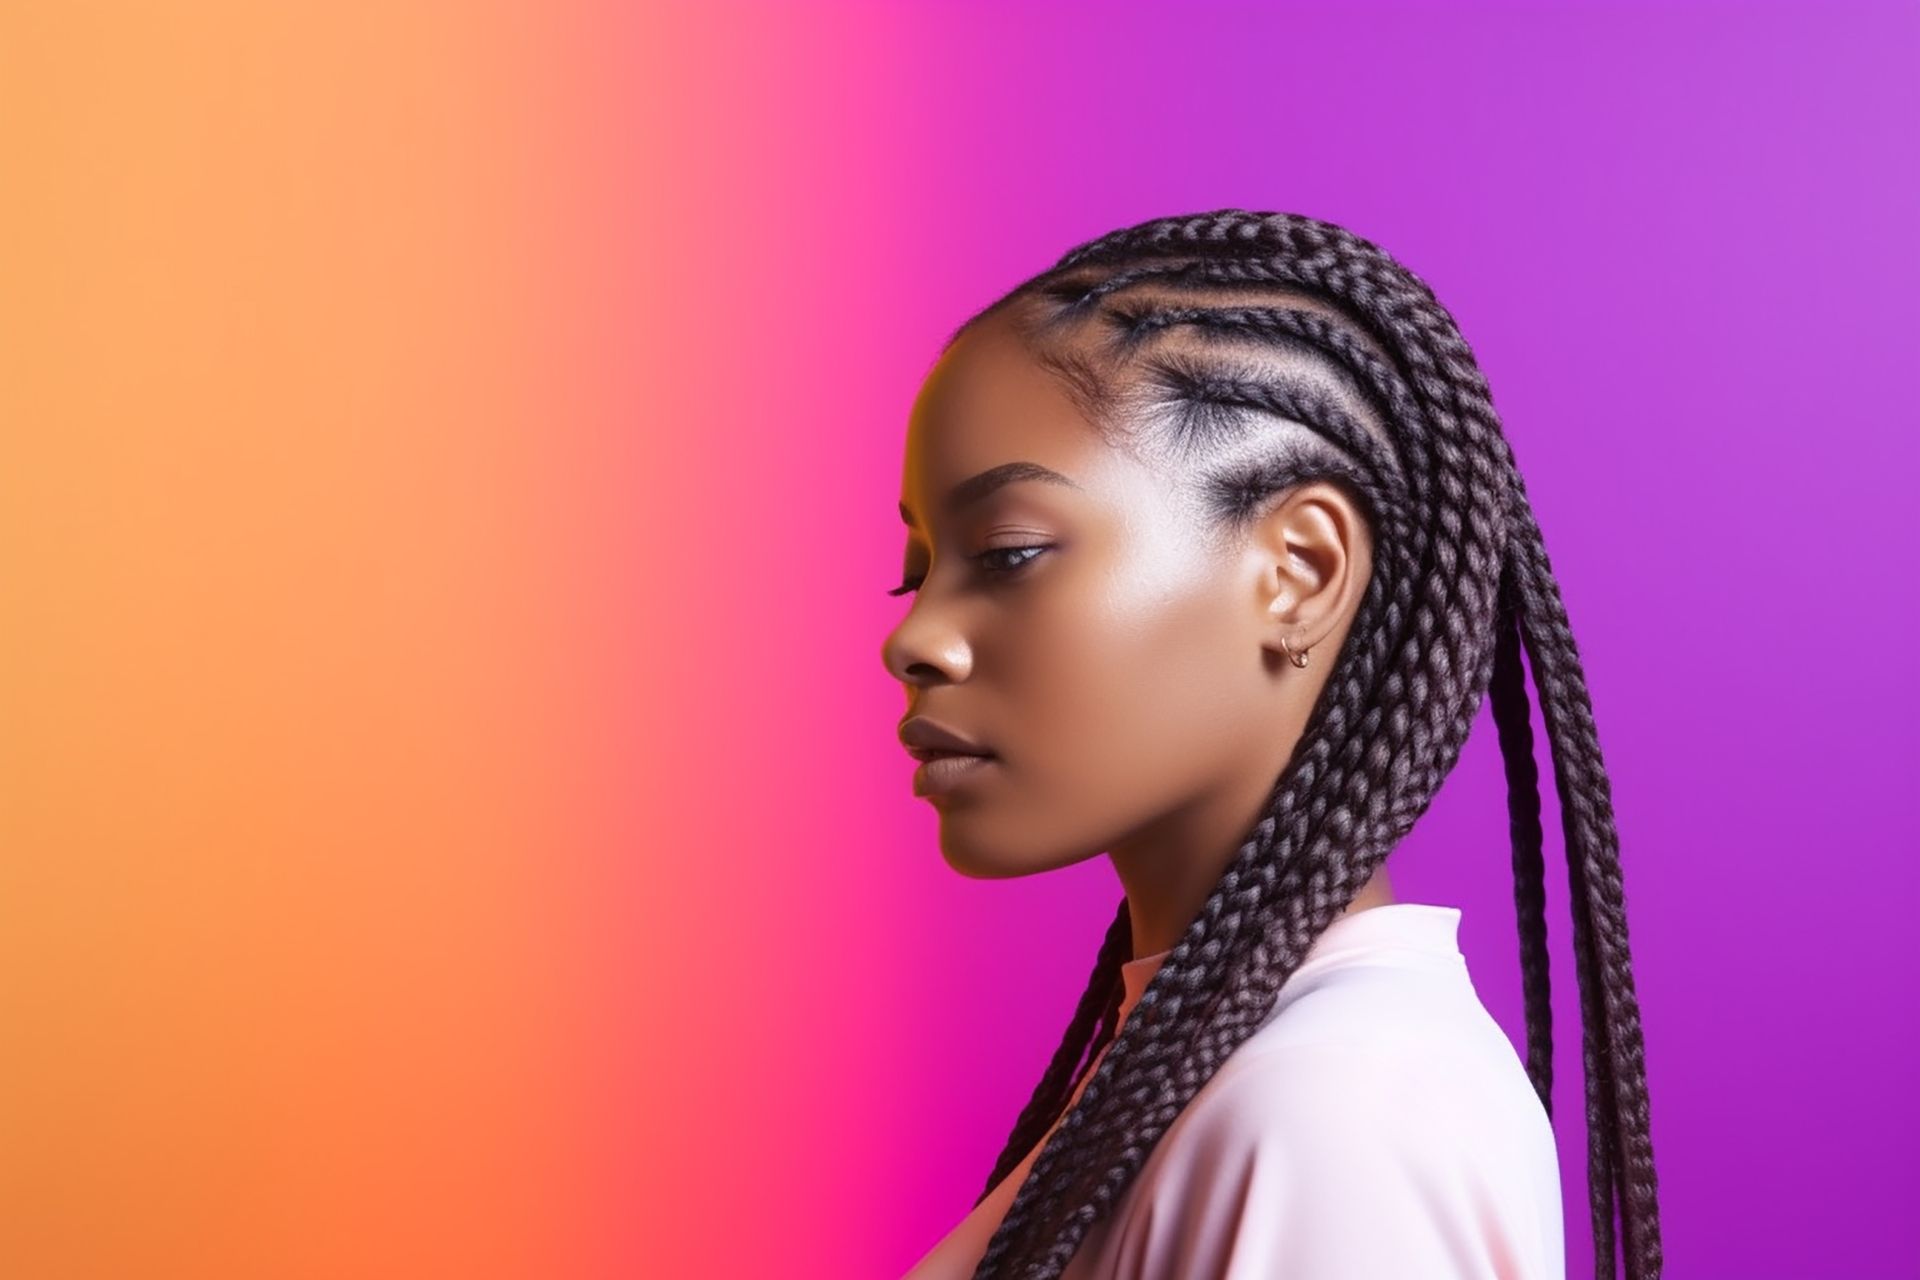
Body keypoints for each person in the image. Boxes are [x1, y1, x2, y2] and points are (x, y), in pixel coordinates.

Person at [881, 210, 1662, 1279]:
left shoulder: (1342, 1114)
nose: (912, 635)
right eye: (915, 566)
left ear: (1298, 569)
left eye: (1008, 550)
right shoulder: (1203, 1069)